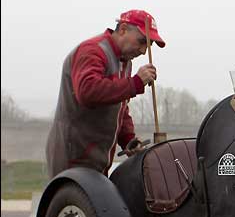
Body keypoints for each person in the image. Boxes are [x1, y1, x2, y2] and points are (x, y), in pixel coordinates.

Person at [45, 9, 166, 178]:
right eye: (142, 41)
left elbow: (120, 107)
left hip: (96, 158)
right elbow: (88, 91)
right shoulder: (92, 51)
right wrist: (135, 83)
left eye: (149, 45)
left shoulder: (125, 62)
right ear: (123, 29)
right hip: (74, 156)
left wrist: (128, 139)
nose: (144, 51)